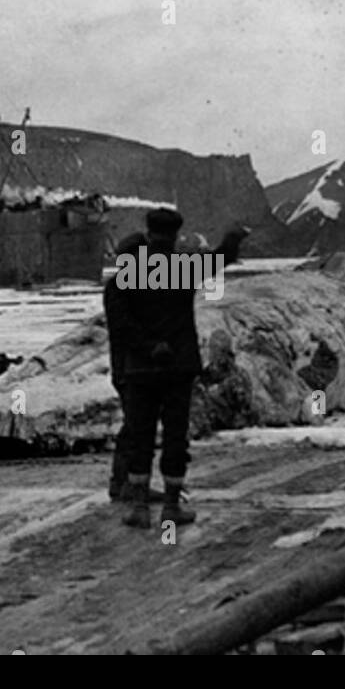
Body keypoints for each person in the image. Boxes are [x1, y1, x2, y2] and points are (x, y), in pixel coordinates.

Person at [108, 208, 249, 529]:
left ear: (148, 233)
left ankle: (139, 506)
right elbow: (222, 257)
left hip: (140, 370)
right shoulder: (184, 267)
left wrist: (145, 349)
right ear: (174, 235)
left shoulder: (128, 272)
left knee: (141, 435)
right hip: (178, 367)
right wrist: (234, 236)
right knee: (175, 435)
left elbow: (120, 323)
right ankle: (172, 506)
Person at [103, 232, 162, 505]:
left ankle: (125, 482)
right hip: (131, 370)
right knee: (137, 427)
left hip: (136, 368)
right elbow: (126, 329)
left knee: (136, 425)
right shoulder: (121, 288)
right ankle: (127, 484)